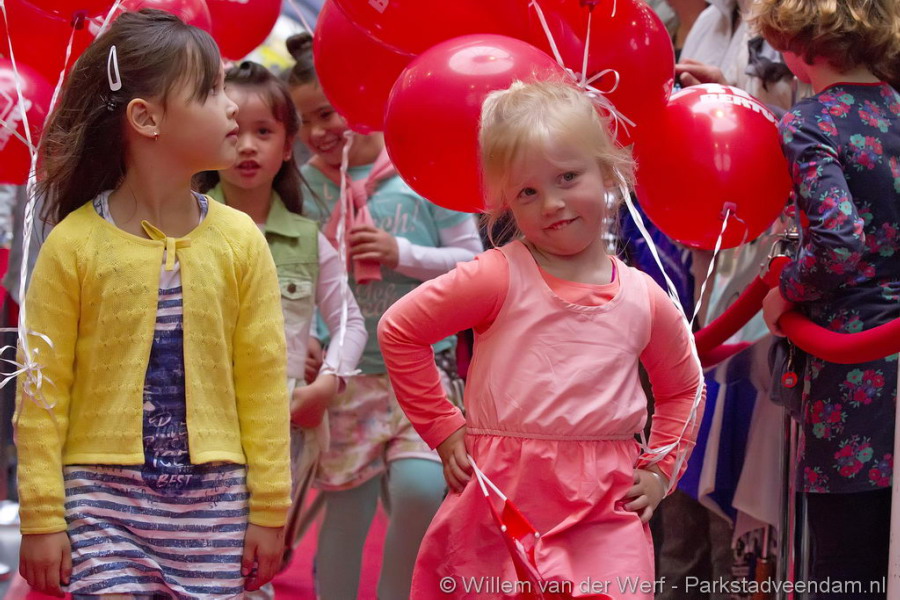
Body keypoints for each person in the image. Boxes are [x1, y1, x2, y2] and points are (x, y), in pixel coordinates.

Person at [378, 80, 706, 600]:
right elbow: (400, 331)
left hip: (606, 512)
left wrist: (662, 470)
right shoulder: (496, 276)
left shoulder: (643, 298)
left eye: (568, 177)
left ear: (608, 171)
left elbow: (685, 388)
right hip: (500, 501)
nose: (552, 203)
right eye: (527, 192)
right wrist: (442, 426)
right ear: (506, 202)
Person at [14, 11, 292, 598]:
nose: (232, 108)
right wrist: (41, 516)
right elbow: (41, 390)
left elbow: (264, 383)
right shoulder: (72, 245)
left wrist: (270, 507)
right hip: (99, 504)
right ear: (146, 118)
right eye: (211, 90)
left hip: (215, 509)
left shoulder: (241, 241)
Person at [284, 33, 484, 600]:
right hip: (345, 379)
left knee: (422, 489)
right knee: (347, 509)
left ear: (362, 102)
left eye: (327, 113)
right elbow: (296, 277)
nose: (318, 131)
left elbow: (473, 262)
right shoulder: (303, 188)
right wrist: (306, 338)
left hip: (421, 374)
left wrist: (402, 253)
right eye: (304, 121)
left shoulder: (420, 170)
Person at [194, 59, 368, 597]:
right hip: (201, 419)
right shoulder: (184, 226)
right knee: (204, 551)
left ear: (288, 145)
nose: (248, 146)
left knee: (257, 558)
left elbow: (350, 321)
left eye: (264, 132)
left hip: (289, 419)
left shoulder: (309, 239)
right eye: (234, 131)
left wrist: (328, 384)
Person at [756, 0, 900, 596]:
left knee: (844, 565)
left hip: (851, 362)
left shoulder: (810, 121)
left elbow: (838, 243)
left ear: (800, 42)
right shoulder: (897, 107)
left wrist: (784, 290)